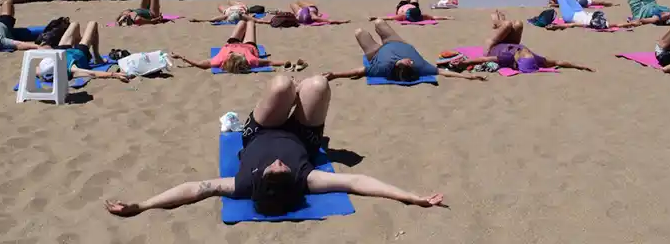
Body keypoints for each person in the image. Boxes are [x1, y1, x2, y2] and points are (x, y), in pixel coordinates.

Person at [105, 75, 445, 218]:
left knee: (282, 84)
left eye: (275, 170)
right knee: (318, 84)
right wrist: (409, 196)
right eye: (285, 170)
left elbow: (196, 188)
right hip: (304, 136)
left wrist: (143, 205)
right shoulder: (305, 180)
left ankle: (287, 92)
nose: (281, 165)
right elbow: (358, 182)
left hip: (261, 130)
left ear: (263, 179)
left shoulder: (244, 184)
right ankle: (300, 92)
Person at [323, 19, 486, 82]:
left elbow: (360, 70)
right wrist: (468, 77)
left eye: (405, 64)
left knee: (359, 32)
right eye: (410, 64)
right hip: (397, 42)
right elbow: (444, 72)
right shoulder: (421, 67)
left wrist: (335, 75)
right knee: (379, 22)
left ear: (399, 66)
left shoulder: (382, 69)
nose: (409, 61)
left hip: (376, 53)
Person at [447, 11, 594, 73]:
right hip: (510, 43)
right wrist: (581, 66)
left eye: (523, 53)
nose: (526, 50)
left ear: (518, 59)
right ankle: (501, 21)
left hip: (493, 46)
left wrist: (464, 63)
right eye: (527, 52)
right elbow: (558, 62)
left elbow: (483, 58)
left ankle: (497, 21)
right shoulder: (534, 58)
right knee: (518, 24)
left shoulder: (507, 57)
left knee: (507, 25)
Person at [176, 18, 306, 73]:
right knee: (250, 23)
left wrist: (182, 57)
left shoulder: (218, 60)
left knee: (241, 22)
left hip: (231, 43)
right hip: (249, 46)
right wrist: (290, 62)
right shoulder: (251, 59)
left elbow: (199, 64)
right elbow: (271, 62)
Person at [36, 21, 130, 83]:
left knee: (74, 24)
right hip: (79, 53)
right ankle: (97, 57)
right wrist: (114, 75)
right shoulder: (72, 69)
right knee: (93, 24)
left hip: (62, 50)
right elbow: (92, 74)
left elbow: (36, 70)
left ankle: (78, 41)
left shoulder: (43, 69)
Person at [546, 0, 615, 30]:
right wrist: (626, 24)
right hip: (579, 11)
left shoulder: (586, 23)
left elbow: (572, 25)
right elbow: (617, 24)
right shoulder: (604, 23)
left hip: (570, 16)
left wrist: (556, 27)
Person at [369, 0, 452, 24]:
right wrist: (376, 17)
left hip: (407, 7)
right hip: (407, 7)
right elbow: (390, 18)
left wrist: (446, 17)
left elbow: (390, 18)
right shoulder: (405, 15)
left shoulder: (417, 16)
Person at [250, 1, 350, 26]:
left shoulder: (308, 17)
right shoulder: (312, 16)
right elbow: (329, 21)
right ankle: (308, 7)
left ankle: (305, 6)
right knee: (297, 3)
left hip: (301, 13)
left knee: (295, 3)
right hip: (303, 13)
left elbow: (330, 21)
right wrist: (342, 21)